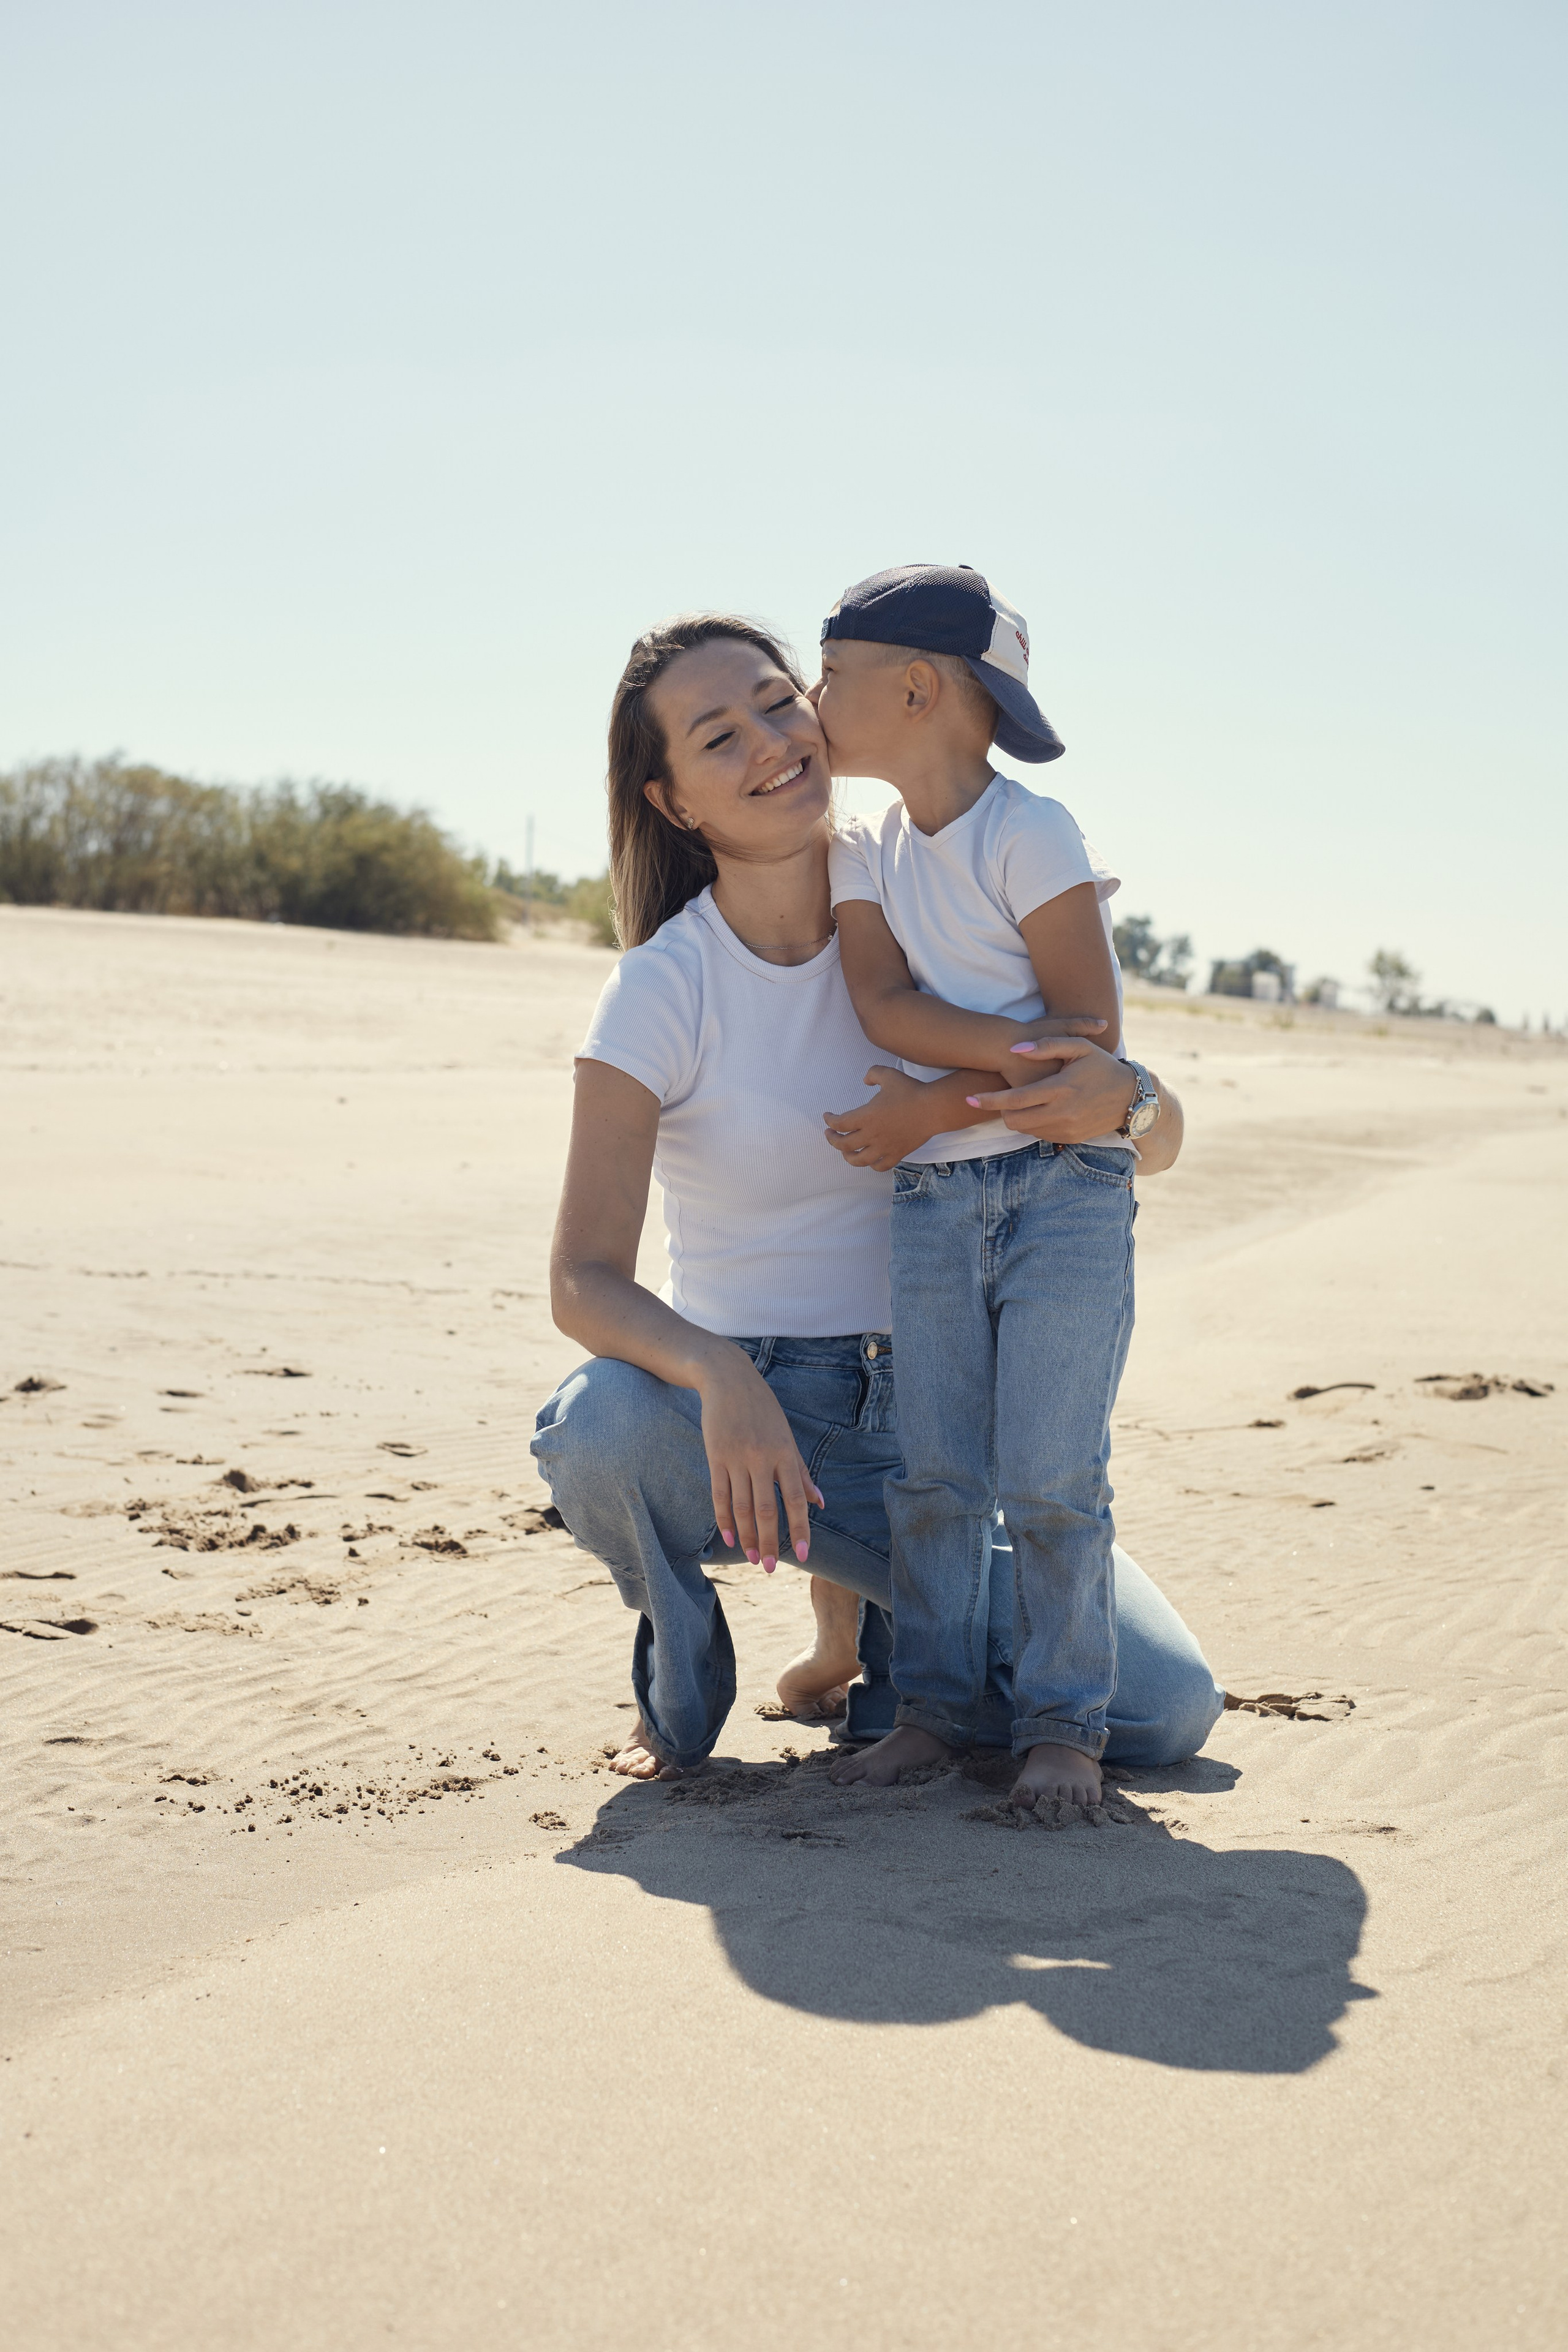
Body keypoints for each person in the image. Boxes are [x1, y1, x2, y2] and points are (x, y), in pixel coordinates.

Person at [530, 609, 1224, 1785]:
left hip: (931, 1421)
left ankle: (894, 1649)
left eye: (775, 698)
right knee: (600, 1430)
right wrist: (720, 1372)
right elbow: (580, 1280)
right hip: (751, 1417)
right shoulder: (662, 990)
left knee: (1162, 1715)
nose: (769, 741)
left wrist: (1135, 1099)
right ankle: (689, 1669)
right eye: (717, 736)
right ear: (674, 803)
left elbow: (1136, 1142)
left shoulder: (929, 878)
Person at [816, 562, 1157, 1813]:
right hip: (931, 1204)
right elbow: (883, 1003)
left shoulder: (1032, 834)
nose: (809, 701)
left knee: (1051, 1475)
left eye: (829, 677)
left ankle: (1064, 1724)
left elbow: (1086, 1034)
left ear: (915, 687)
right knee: (932, 1473)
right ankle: (932, 1714)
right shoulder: (861, 850)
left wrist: (929, 1103)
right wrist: (964, 1097)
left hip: (1066, 1195)